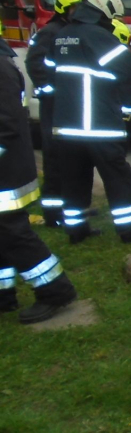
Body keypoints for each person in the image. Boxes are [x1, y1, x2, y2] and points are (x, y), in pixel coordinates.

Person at [49, 0, 131, 244]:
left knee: (74, 180)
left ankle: (76, 231)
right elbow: (126, 69)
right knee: (119, 178)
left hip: (67, 125)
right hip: (99, 125)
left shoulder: (62, 35)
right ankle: (130, 231)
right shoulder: (98, 36)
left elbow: (51, 71)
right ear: (104, 10)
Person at [0, 23, 79, 324]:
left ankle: (55, 290)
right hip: (8, 170)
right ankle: (4, 295)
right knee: (4, 235)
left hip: (6, 175)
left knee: (14, 233)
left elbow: (5, 125)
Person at [24, 0, 83, 227]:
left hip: (69, 105)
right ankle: (52, 214)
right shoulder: (49, 33)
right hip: (54, 106)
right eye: (73, 7)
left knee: (71, 159)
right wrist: (52, 91)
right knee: (55, 159)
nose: (77, 11)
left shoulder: (73, 31)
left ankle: (69, 211)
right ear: (63, 9)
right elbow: (34, 63)